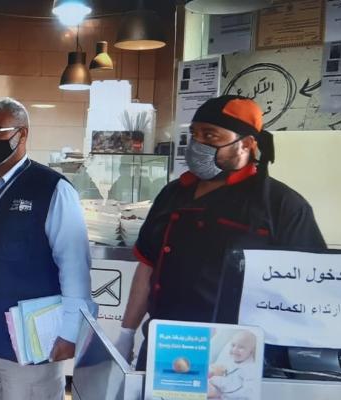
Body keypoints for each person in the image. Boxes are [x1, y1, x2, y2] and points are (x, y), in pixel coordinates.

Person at [115, 95, 327, 368]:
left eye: (210, 135)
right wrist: (126, 333)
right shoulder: (173, 194)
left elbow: (308, 287)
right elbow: (147, 266)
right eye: (194, 134)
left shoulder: (282, 205)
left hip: (235, 353)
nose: (197, 143)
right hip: (166, 343)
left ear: (247, 144)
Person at [0, 97, 96, 400]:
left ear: (23, 133)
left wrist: (71, 331)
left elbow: (74, 265)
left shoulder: (52, 189)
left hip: (31, 341)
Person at [208, 330, 260, 399]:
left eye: (241, 347)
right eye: (233, 345)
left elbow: (248, 391)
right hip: (219, 390)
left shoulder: (250, 368)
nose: (235, 349)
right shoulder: (230, 360)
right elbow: (222, 370)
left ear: (251, 351)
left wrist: (220, 386)